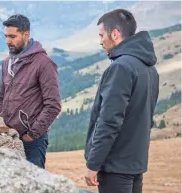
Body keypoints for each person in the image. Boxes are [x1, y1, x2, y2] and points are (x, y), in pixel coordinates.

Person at [84, 9, 159, 193]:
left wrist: (93, 163)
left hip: (115, 167)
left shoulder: (121, 68)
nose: (101, 41)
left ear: (115, 34)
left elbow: (109, 121)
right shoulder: (149, 69)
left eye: (102, 35)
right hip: (135, 164)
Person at [0, 14, 62, 169]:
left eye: (12, 36)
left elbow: (53, 105)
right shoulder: (7, 63)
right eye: (6, 36)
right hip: (8, 139)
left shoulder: (44, 63)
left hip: (32, 142)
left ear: (26, 35)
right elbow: (1, 96)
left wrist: (31, 135)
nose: (8, 41)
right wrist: (0, 122)